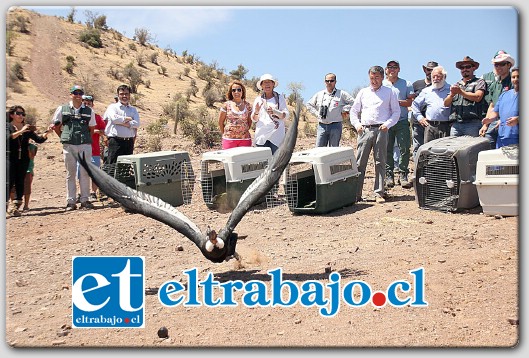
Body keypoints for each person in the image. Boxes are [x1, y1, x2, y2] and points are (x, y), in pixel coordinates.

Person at [349, 66, 400, 204]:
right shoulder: (363, 92)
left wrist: (387, 125)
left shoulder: (390, 92)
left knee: (380, 161)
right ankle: (356, 194)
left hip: (381, 130)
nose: (374, 80)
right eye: (372, 78)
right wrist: (357, 125)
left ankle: (379, 192)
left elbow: (396, 112)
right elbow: (354, 111)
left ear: (382, 77)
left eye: (377, 77)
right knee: (360, 162)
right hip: (365, 130)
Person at [51, 85, 96, 211]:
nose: (77, 95)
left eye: (80, 93)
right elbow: (56, 125)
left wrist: (85, 140)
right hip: (69, 145)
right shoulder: (62, 108)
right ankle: (71, 201)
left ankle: (85, 200)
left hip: (84, 145)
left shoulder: (89, 111)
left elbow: (91, 128)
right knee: (71, 174)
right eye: (75, 93)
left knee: (85, 173)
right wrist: (64, 137)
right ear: (71, 94)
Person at [7, 105, 52, 216]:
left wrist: (48, 132)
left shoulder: (26, 128)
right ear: (12, 115)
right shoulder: (7, 126)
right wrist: (21, 131)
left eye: (23, 114)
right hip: (9, 158)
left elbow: (39, 139)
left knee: (20, 181)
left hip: (23, 159)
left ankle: (15, 207)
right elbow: (8, 137)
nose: (21, 116)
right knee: (8, 181)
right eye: (18, 113)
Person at [382, 60, 414, 189]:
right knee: (387, 149)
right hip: (386, 122)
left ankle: (403, 174)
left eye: (395, 67)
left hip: (401, 121)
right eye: (389, 67)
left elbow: (409, 102)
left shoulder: (406, 84)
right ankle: (389, 175)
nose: (392, 69)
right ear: (386, 70)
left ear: (399, 69)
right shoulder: (382, 84)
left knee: (404, 148)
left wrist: (395, 102)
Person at [306, 73, 355, 147]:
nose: (329, 83)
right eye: (327, 81)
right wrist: (317, 113)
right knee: (319, 150)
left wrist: (345, 109)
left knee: (333, 150)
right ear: (324, 82)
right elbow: (308, 104)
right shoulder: (319, 94)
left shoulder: (341, 94)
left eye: (331, 81)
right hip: (322, 125)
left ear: (335, 82)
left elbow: (354, 102)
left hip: (335, 125)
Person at [479, 50, 515, 148]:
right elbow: (492, 105)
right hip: (493, 122)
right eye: (496, 65)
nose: (498, 67)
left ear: (509, 65)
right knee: (487, 147)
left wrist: (502, 120)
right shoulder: (494, 85)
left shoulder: (514, 82)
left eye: (502, 64)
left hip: (509, 123)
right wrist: (485, 125)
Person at [444, 56, 487, 137]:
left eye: (468, 67)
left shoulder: (479, 82)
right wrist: (452, 95)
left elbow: (478, 97)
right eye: (462, 68)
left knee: (472, 148)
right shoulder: (456, 84)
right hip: (456, 125)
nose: (464, 69)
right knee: (453, 149)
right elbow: (446, 103)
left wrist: (461, 92)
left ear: (473, 68)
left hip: (472, 124)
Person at [411, 66, 451, 144]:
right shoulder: (426, 91)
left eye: (438, 76)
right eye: (433, 77)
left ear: (444, 77)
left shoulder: (451, 89)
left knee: (445, 152)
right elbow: (415, 104)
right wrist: (420, 118)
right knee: (428, 152)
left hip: (446, 126)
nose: (435, 78)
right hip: (430, 127)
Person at [77, 94, 107, 200]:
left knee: (94, 174)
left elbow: (104, 130)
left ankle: (94, 193)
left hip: (94, 150)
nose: (87, 104)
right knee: (81, 173)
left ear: (92, 105)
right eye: (84, 103)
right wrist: (94, 131)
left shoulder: (97, 117)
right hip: (80, 149)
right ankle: (82, 193)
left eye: (89, 103)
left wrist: (99, 132)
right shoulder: (77, 117)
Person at [251, 74, 289, 155]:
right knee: (262, 161)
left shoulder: (280, 98)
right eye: (264, 83)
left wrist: (275, 112)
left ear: (273, 84)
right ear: (261, 86)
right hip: (261, 136)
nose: (267, 84)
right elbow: (254, 119)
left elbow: (286, 116)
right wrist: (256, 111)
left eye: (269, 82)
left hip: (277, 136)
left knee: (276, 162)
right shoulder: (258, 99)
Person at [104, 84, 140, 164]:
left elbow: (137, 124)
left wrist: (123, 123)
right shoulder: (112, 107)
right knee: (113, 167)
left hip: (129, 142)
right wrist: (128, 119)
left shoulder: (133, 110)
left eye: (126, 94)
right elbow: (114, 119)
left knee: (126, 168)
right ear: (118, 95)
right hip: (116, 142)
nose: (124, 96)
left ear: (129, 95)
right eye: (121, 94)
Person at [410, 61, 438, 159]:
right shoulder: (416, 84)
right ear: (424, 70)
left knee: (431, 148)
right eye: (428, 69)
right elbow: (412, 102)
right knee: (417, 147)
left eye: (433, 70)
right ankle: (417, 171)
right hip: (417, 121)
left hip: (432, 122)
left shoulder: (439, 85)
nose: (430, 72)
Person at [218, 80, 252, 149]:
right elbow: (220, 122)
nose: (236, 92)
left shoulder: (248, 106)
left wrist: (243, 131)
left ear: (242, 91)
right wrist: (226, 134)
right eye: (234, 90)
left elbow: (249, 122)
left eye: (239, 90)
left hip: (245, 140)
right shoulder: (226, 105)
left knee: (244, 159)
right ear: (231, 92)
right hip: (229, 140)